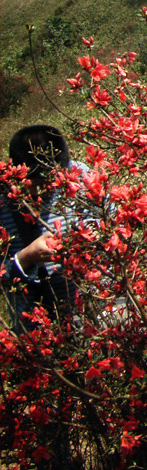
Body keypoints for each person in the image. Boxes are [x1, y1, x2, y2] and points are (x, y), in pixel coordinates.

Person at [0, 124, 91, 333]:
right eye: (36, 183)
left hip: (96, 318)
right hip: (37, 334)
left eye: (53, 180)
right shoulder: (4, 204)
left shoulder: (83, 178)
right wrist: (25, 258)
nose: (46, 190)